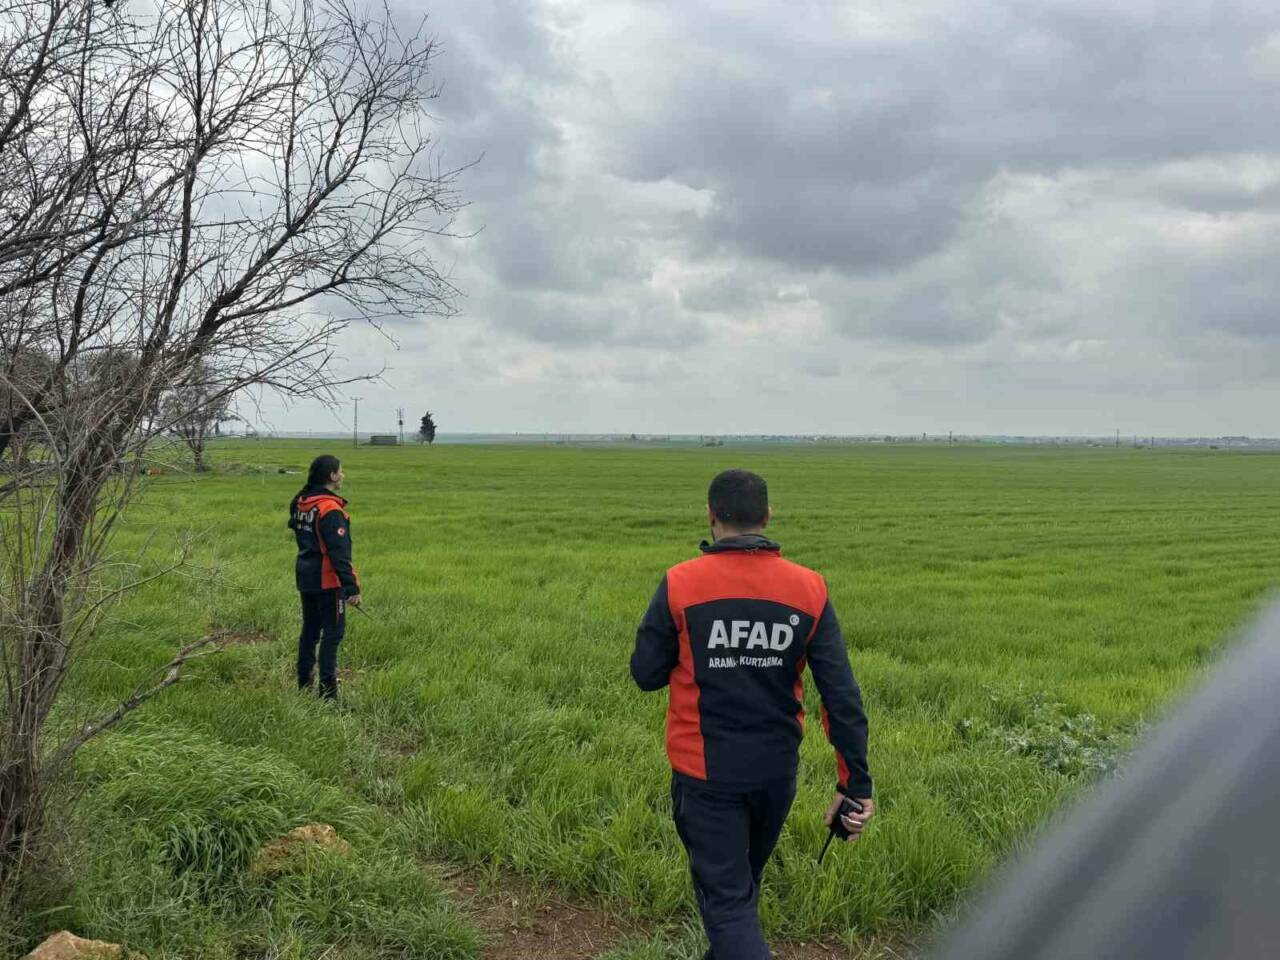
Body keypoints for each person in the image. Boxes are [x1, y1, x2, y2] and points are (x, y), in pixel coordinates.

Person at [631, 469, 873, 960]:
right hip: (774, 775)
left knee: (727, 906)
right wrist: (856, 785)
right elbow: (841, 697)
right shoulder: (809, 589)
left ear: (710, 514)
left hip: (705, 777)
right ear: (767, 516)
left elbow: (646, 674)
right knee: (738, 897)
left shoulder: (681, 583)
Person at [288, 454, 361, 699]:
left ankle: (303, 684)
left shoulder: (301, 502)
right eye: (340, 471)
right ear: (331, 476)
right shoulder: (330, 509)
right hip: (327, 581)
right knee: (333, 633)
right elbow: (339, 554)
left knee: (310, 630)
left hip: (305, 575)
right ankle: (329, 695)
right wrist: (351, 587)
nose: (343, 475)